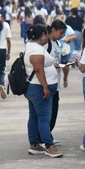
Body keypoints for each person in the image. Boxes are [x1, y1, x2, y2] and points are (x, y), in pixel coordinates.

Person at [24, 24, 63, 158]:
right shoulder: (36, 50)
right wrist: (45, 87)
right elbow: (39, 69)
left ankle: (34, 144)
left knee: (34, 116)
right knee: (44, 118)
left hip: (34, 87)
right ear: (42, 36)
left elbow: (42, 65)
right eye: (46, 34)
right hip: (38, 88)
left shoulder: (33, 47)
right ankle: (49, 146)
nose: (47, 37)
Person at [46, 20, 68, 145]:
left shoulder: (57, 43)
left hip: (56, 82)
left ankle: (48, 135)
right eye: (60, 32)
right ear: (53, 30)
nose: (62, 35)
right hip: (48, 83)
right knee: (48, 113)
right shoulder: (46, 43)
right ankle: (46, 137)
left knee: (54, 112)